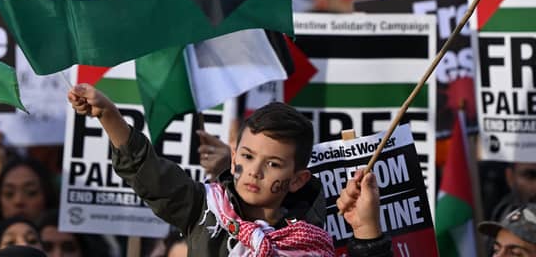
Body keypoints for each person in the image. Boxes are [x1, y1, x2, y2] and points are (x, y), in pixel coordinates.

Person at [68, 83, 392, 256]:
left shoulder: (312, 243)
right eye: (248, 157)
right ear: (234, 156)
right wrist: (107, 115)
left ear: (297, 180)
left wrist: (366, 228)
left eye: (273, 164)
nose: (254, 171)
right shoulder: (203, 208)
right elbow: (149, 173)